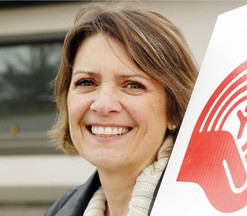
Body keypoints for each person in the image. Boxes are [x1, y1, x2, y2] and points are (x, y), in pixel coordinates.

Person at [45, 1, 198, 216]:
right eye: (87, 82)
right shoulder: (59, 210)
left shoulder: (210, 207)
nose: (103, 105)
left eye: (133, 85)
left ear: (174, 110)